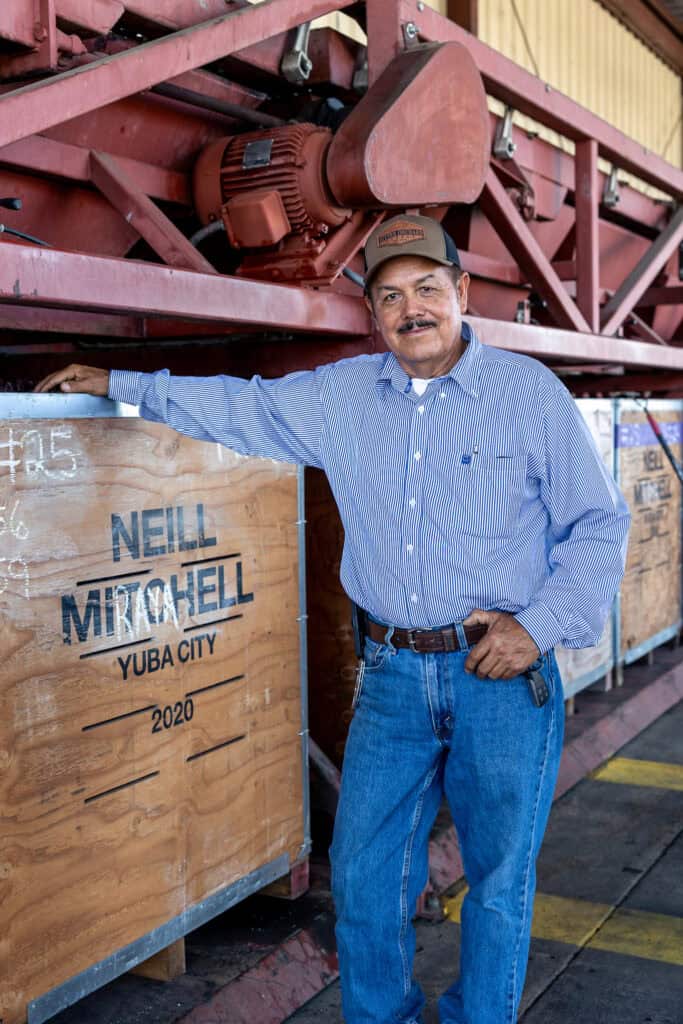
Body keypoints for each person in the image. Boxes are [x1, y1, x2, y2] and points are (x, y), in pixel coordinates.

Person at [35, 214, 630, 1024]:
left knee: (497, 881)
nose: (409, 308)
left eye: (426, 289)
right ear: (372, 313)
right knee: (360, 875)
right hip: (390, 678)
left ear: (460, 293)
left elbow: (598, 525)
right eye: (389, 296)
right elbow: (237, 409)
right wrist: (120, 382)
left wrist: (539, 626)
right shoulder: (341, 397)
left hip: (501, 672)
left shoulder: (528, 396)